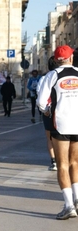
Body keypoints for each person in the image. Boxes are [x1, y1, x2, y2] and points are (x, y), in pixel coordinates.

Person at [37, 45, 78, 220]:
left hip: (60, 124)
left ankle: (69, 205)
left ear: (56, 59)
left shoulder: (51, 76)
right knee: (75, 162)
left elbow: (40, 102)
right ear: (71, 58)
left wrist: (47, 110)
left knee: (62, 164)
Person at [36, 56, 58, 171]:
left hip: (48, 112)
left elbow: (40, 97)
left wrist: (44, 110)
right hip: (64, 111)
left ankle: (54, 162)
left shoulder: (44, 78)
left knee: (50, 138)